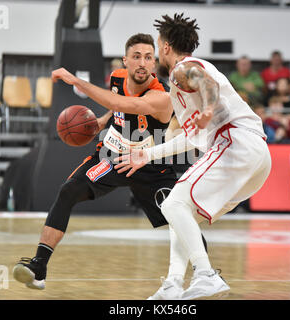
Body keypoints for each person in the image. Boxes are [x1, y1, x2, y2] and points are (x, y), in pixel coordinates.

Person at [13, 33, 210, 291]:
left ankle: (205, 274)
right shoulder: (117, 77)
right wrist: (103, 121)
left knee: (179, 218)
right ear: (125, 60)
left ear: (154, 63)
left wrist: (76, 82)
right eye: (136, 56)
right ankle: (39, 267)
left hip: (149, 164)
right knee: (67, 191)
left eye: (149, 57)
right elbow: (118, 105)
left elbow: (123, 103)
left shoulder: (162, 95)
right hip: (113, 155)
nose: (142, 63)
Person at [115, 13, 272, 300]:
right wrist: (147, 154)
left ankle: (206, 275)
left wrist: (209, 111)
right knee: (181, 214)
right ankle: (173, 284)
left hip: (235, 142)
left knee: (173, 204)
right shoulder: (184, 81)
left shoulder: (183, 69)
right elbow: (189, 138)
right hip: (257, 157)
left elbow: (207, 86)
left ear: (164, 47)